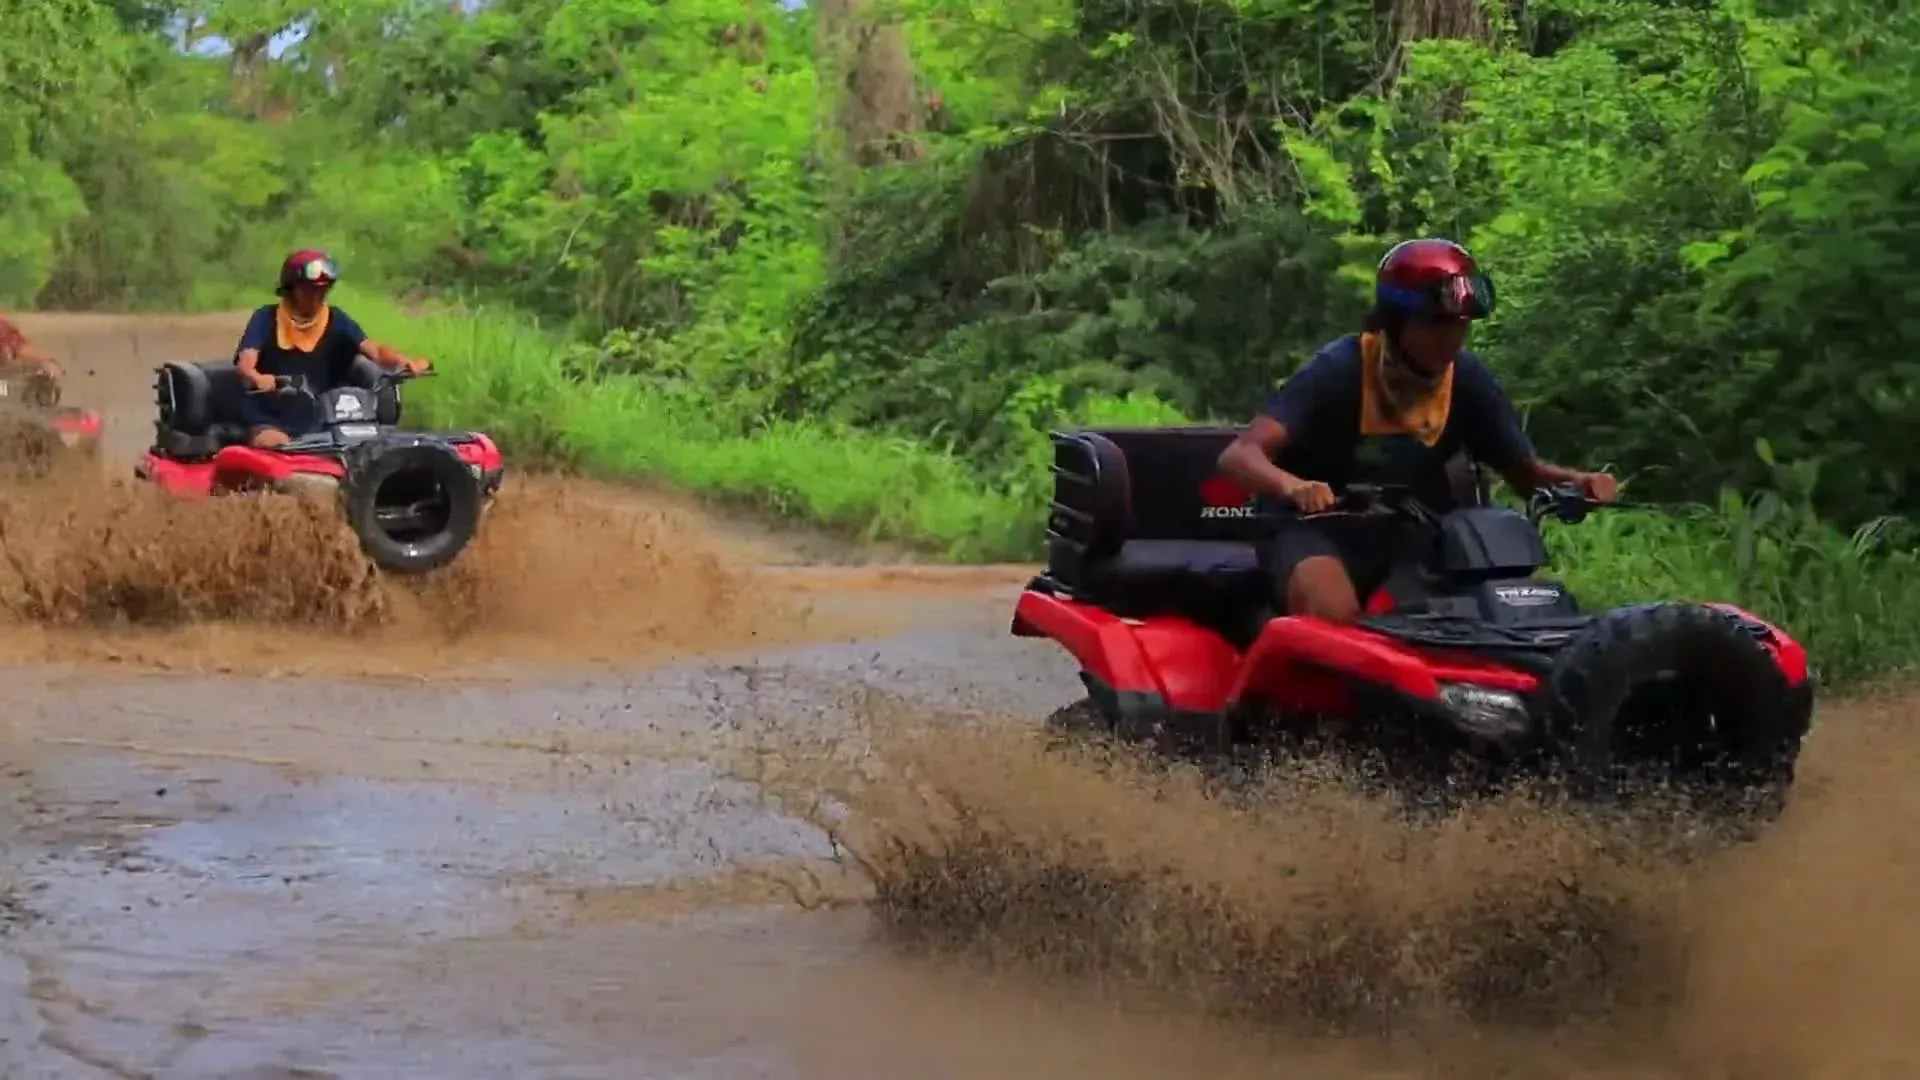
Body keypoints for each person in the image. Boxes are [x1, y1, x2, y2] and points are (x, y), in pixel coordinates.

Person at [1216, 238, 1618, 623]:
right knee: (1331, 614)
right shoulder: (1341, 369)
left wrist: (1577, 484)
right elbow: (1239, 456)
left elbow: (1526, 476)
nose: (1452, 338)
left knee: (1469, 618)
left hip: (1404, 533)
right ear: (1395, 322)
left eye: (1460, 325)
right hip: (1308, 529)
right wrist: (1293, 487)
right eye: (1436, 324)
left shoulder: (1467, 379)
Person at [235, 249, 430, 447]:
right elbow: (245, 365)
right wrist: (258, 379)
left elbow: (375, 350)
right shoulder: (266, 318)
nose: (316, 297)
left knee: (369, 446)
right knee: (275, 444)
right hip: (271, 417)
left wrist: (404, 361)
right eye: (309, 291)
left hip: (324, 417)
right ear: (291, 289)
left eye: (322, 291)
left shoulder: (336, 319)